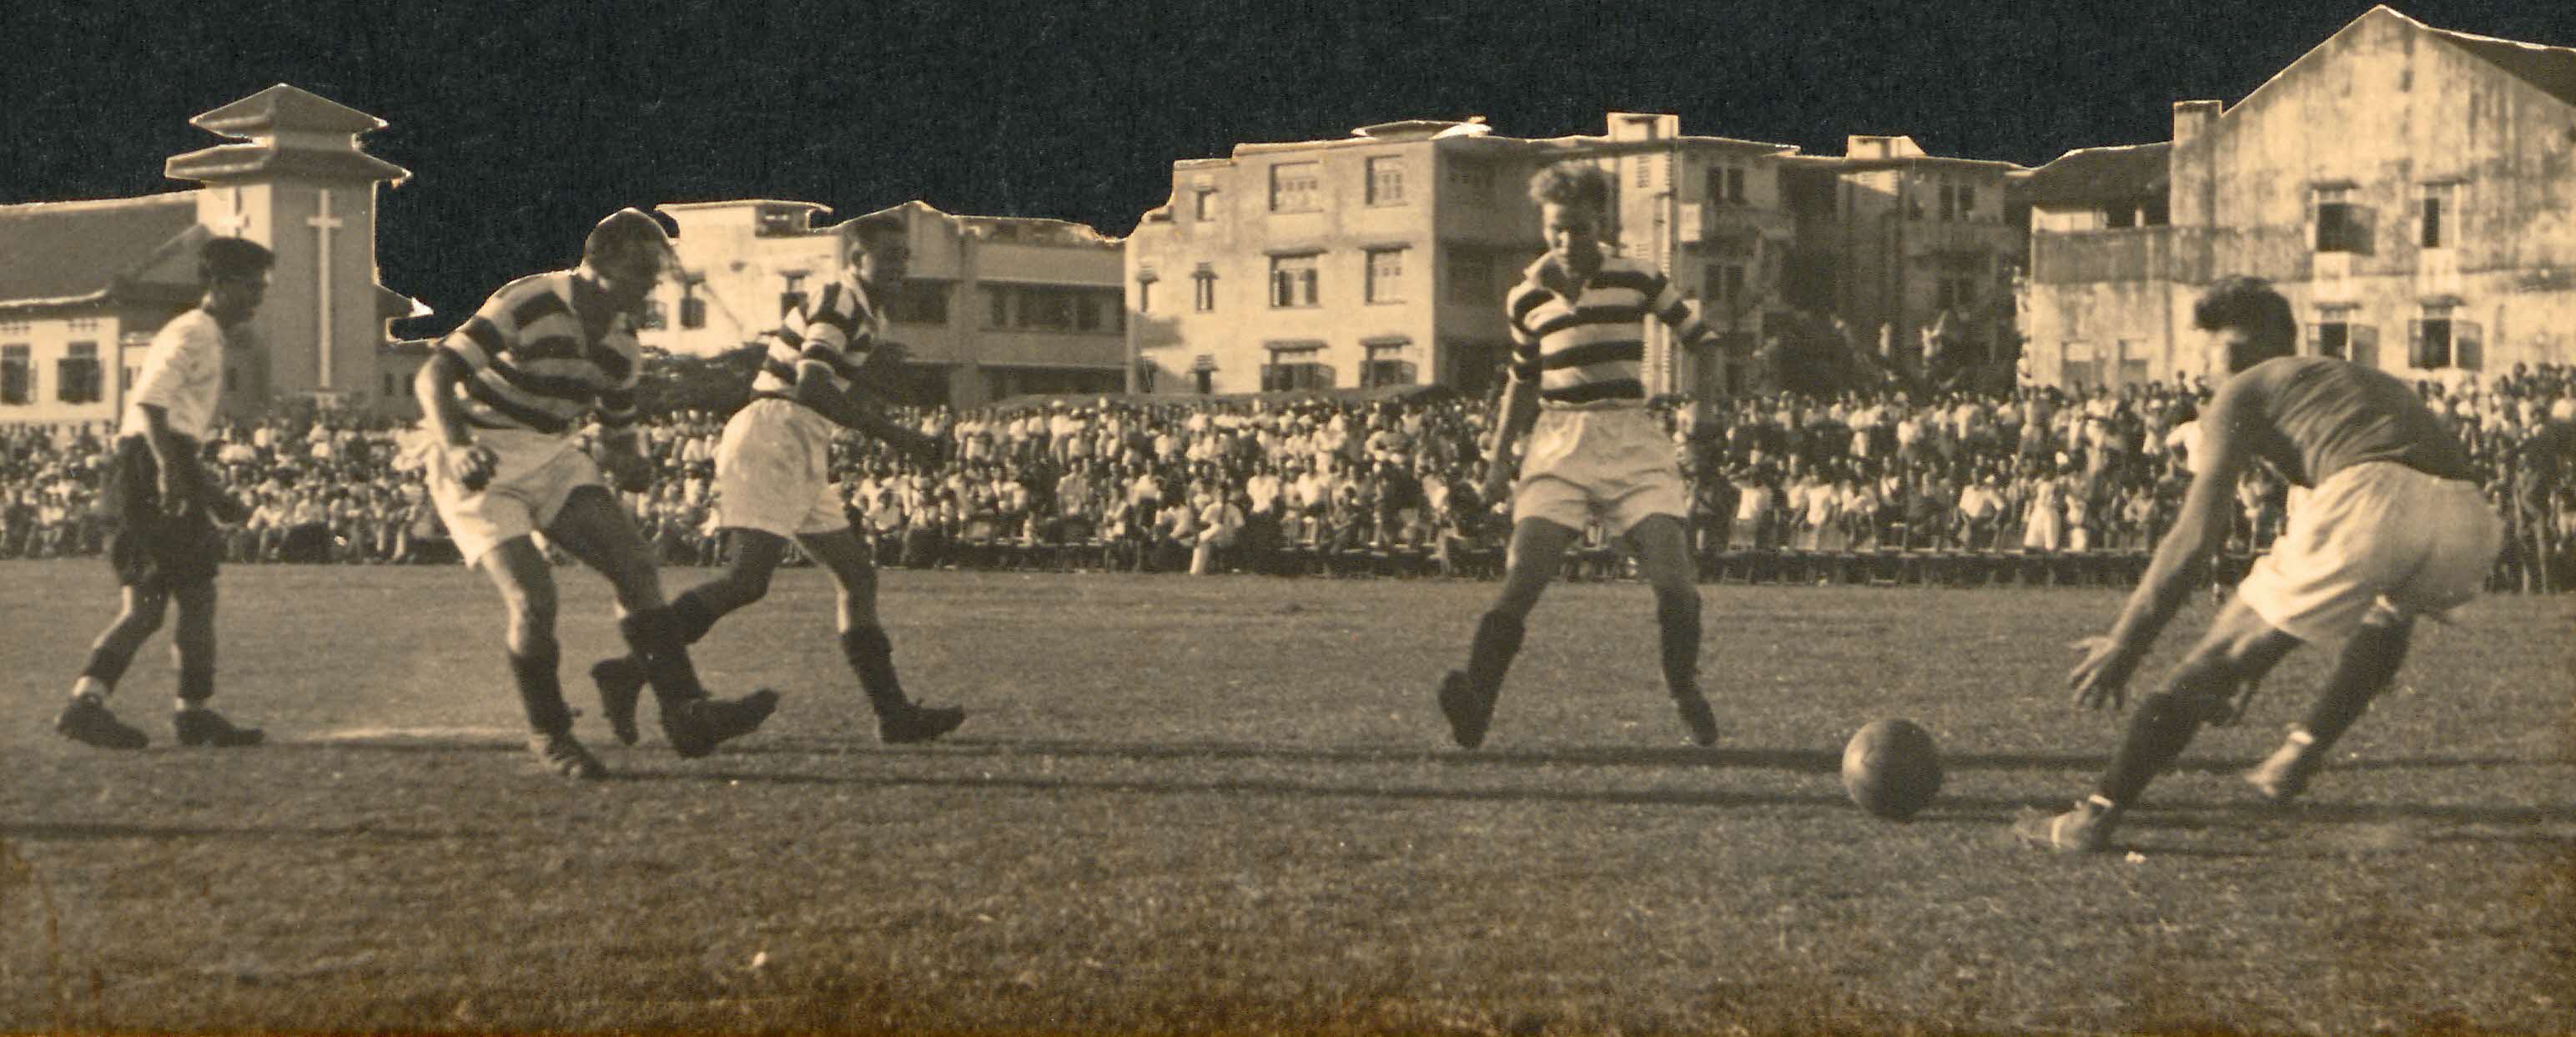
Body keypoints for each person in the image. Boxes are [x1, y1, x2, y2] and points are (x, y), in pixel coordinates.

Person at [2019, 278, 2502, 852]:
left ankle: (2093, 817)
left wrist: (2127, 642)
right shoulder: (2350, 383)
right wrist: (2254, 663)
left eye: (2219, 346)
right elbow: (2364, 524)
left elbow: (2195, 537)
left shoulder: (2242, 392)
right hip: (2470, 520)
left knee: (2210, 662)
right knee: (2392, 609)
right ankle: (2299, 751)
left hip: (2370, 495)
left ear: (2257, 344)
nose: (2213, 363)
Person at [412, 209, 778, 780]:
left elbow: (616, 431)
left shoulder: (623, 344)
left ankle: (686, 711)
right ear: (598, 262)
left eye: (654, 272)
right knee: (534, 599)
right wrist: (457, 445)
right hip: (479, 453)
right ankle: (551, 732)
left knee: (635, 564)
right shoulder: (531, 300)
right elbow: (435, 373)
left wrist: (632, 463)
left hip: (551, 453)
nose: (649, 284)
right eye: (639, 270)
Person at [592, 214, 966, 745]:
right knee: (748, 580)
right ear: (856, 259)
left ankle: (893, 714)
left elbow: (823, 384)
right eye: (887, 256)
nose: (899, 266)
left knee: (857, 575)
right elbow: (811, 383)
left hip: (800, 438)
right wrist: (900, 437)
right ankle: (630, 670)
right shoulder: (842, 296)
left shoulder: (863, 310)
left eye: (904, 256)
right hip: (775, 432)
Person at [1433, 160, 1719, 749]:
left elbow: (1703, 342)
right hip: (1559, 441)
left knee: (1674, 582)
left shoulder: (1638, 277)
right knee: (1522, 577)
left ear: (1602, 222)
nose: (1567, 242)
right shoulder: (1526, 295)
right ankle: (1476, 701)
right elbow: (1522, 381)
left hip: (1630, 440)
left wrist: (1703, 418)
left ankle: (1682, 686)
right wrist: (1496, 462)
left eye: (1579, 228)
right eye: (1556, 229)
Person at [53, 237, 274, 750]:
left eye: (262, 287)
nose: (258, 297)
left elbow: (175, 428)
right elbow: (151, 407)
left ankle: (192, 713)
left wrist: (209, 490)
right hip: (143, 469)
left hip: (164, 463)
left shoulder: (209, 336)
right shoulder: (192, 332)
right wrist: (169, 476)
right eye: (250, 287)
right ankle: (85, 705)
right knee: (147, 608)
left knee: (198, 597)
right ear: (217, 285)